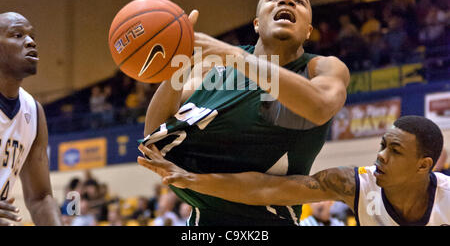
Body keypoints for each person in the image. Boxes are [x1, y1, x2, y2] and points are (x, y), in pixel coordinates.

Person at [140, 0, 349, 225]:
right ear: (257, 24)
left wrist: (238, 57)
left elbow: (320, 106)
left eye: (299, 1)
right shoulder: (214, 66)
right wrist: (176, 65)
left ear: (308, 31)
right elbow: (152, 142)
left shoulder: (322, 67)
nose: (286, 1)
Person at [139, 115, 450, 226]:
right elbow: (268, 189)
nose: (380, 156)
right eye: (382, 145)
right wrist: (192, 179)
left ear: (424, 165)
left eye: (394, 151)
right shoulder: (354, 184)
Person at [0, 12, 62, 226]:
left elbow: (40, 198)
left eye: (32, 36)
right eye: (17, 35)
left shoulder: (33, 111)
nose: (30, 41)